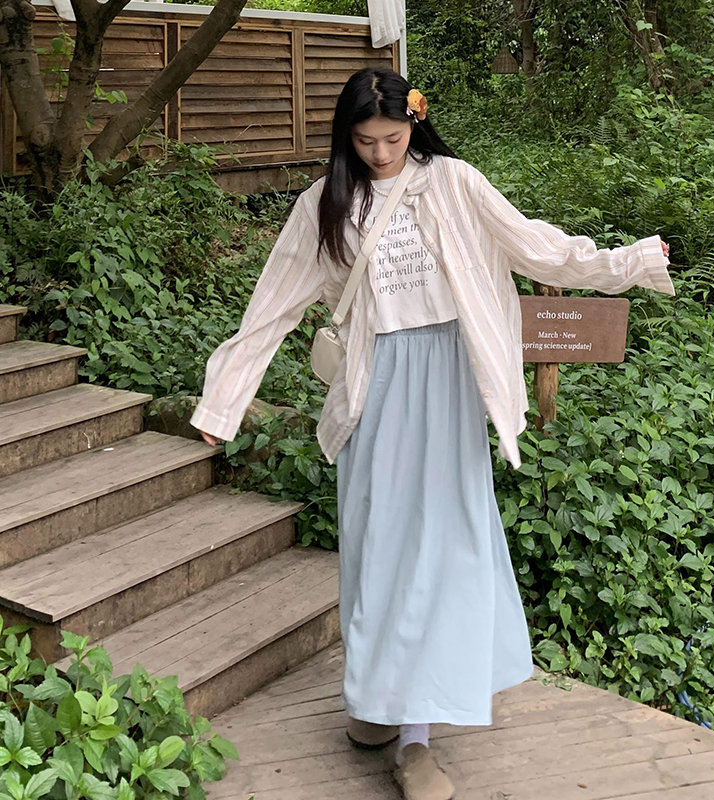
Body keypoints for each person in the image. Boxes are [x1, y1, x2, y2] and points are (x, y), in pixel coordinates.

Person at [191, 66, 673, 800]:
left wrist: (628, 261)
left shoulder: (453, 182)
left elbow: (538, 248)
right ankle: (377, 703)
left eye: (393, 137)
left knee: (437, 554)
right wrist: (222, 404)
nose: (381, 153)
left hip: (447, 384)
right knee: (378, 552)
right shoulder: (323, 204)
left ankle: (415, 739)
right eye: (366, 140)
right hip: (374, 390)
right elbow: (272, 307)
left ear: (414, 124)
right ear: (345, 137)